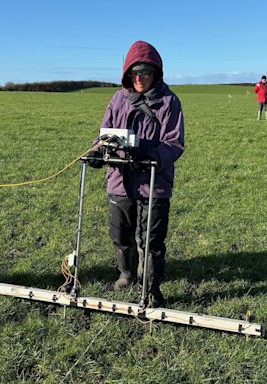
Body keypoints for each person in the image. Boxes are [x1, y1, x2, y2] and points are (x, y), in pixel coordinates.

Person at [88, 41, 184, 307]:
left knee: (151, 239)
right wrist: (98, 151)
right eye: (135, 73)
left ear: (156, 73)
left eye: (146, 72)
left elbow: (174, 143)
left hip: (154, 181)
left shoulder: (169, 101)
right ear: (127, 74)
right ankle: (126, 272)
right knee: (120, 234)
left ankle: (151, 286)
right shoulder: (118, 99)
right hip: (119, 180)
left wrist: (150, 156)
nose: (140, 78)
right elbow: (105, 132)